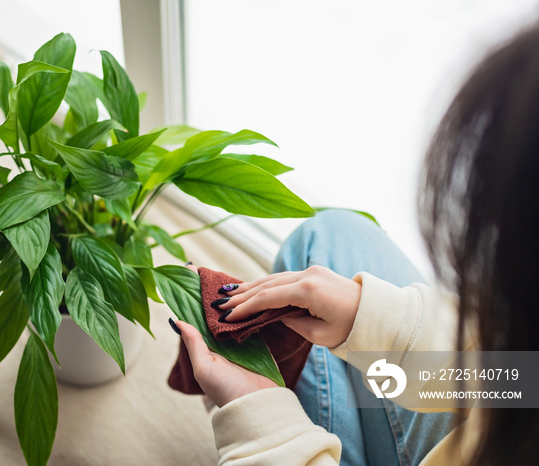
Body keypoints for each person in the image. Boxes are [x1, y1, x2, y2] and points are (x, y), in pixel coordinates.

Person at [169, 19, 539, 466]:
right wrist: (375, 320)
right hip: (481, 430)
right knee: (328, 238)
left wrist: (265, 431)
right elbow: (520, 375)